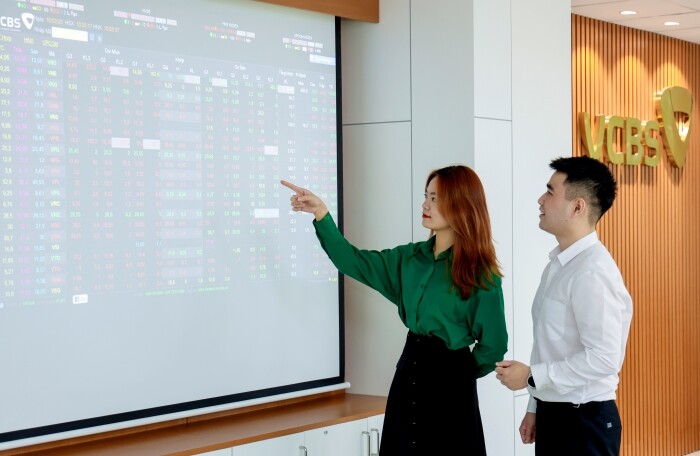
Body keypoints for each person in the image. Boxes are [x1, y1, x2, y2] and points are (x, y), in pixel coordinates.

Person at [281, 164, 507, 456]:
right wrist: (322, 214)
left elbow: (493, 347)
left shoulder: (482, 275)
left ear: (461, 205)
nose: (425, 204)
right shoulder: (409, 258)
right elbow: (353, 261)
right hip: (409, 371)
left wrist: (455, 375)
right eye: (426, 196)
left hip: (451, 383)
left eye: (436, 198)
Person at [495, 156, 633, 456]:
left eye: (550, 191)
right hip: (556, 414)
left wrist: (532, 376)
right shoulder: (559, 263)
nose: (540, 199)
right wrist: (535, 404)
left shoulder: (593, 272)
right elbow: (548, 345)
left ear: (578, 206)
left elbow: (604, 359)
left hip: (585, 422)